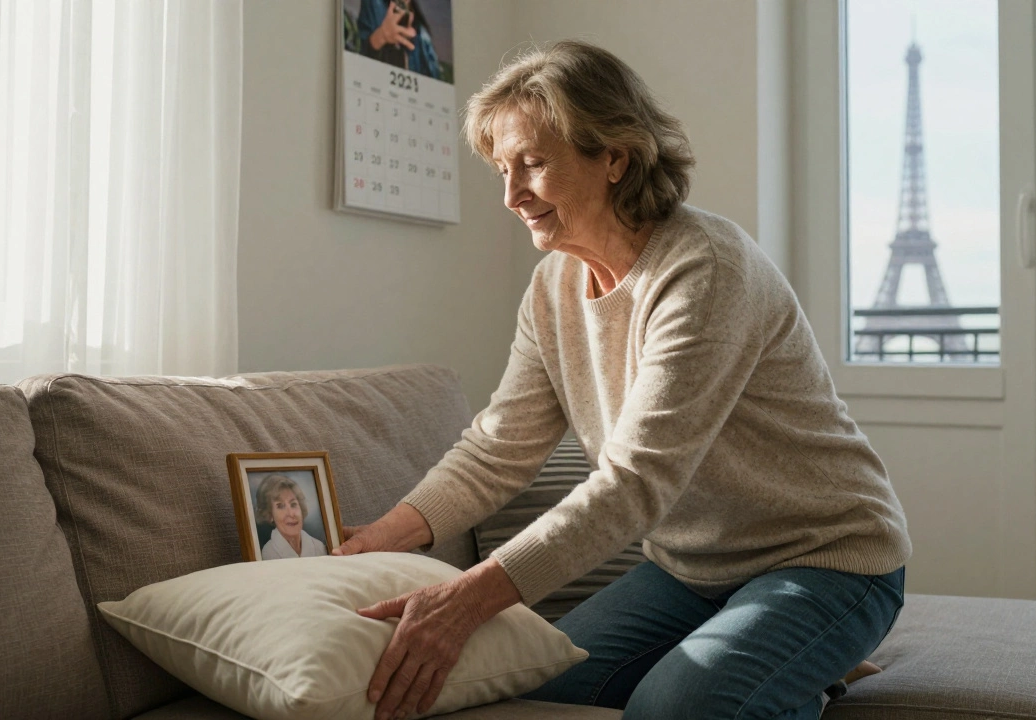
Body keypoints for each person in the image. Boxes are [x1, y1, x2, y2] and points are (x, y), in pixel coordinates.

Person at [331, 40, 910, 720]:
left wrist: (468, 599)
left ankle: (798, 666)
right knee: (527, 688)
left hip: (826, 559)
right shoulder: (552, 288)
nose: (512, 194)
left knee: (677, 709)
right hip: (690, 572)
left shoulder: (705, 269)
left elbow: (635, 481)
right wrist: (380, 537)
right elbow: (499, 446)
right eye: (502, 170)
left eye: (534, 164)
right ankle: (797, 669)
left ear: (614, 157)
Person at [357, 0, 441, 80]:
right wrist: (381, 36)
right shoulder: (374, 4)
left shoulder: (422, 35)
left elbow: (433, 80)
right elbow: (356, 57)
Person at [255, 474, 327, 560]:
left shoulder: (319, 547)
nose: (291, 513)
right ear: (270, 515)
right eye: (280, 506)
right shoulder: (268, 554)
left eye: (293, 504)